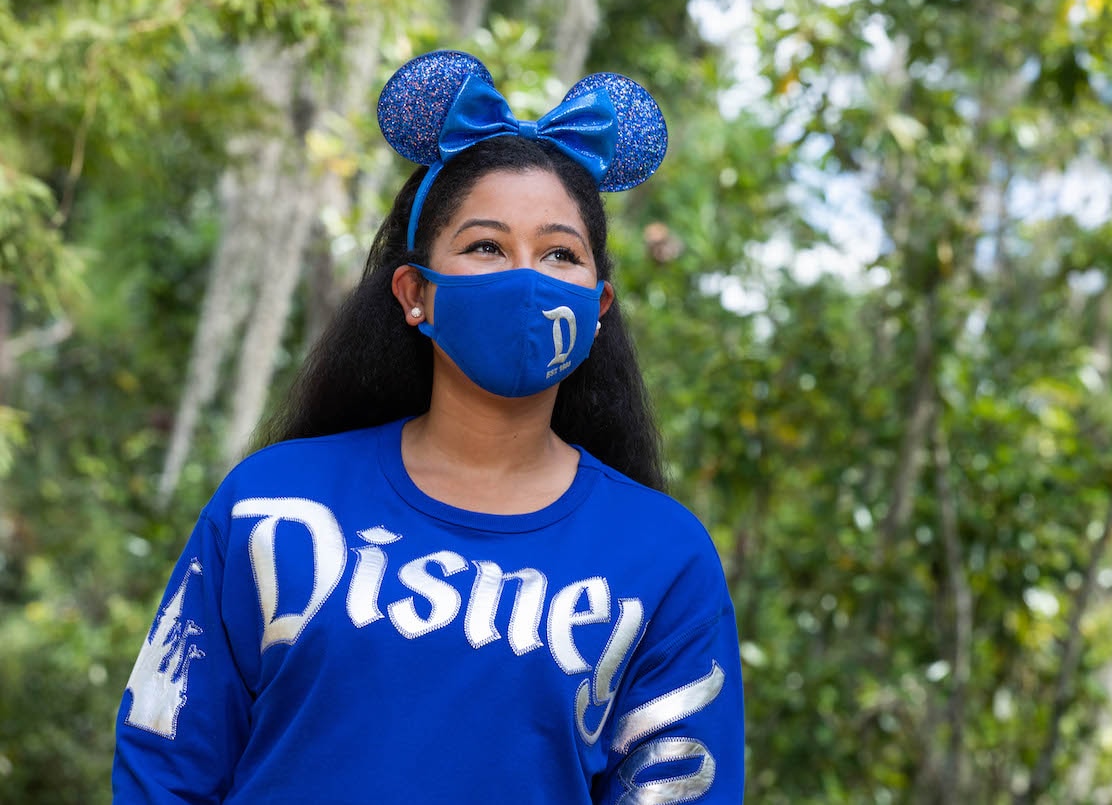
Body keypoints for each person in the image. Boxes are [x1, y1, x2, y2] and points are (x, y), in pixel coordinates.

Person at [112, 50, 745, 804]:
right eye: (485, 246)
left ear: (597, 305)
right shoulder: (271, 503)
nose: (526, 276)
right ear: (414, 293)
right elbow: (165, 760)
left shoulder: (666, 557)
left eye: (560, 253)